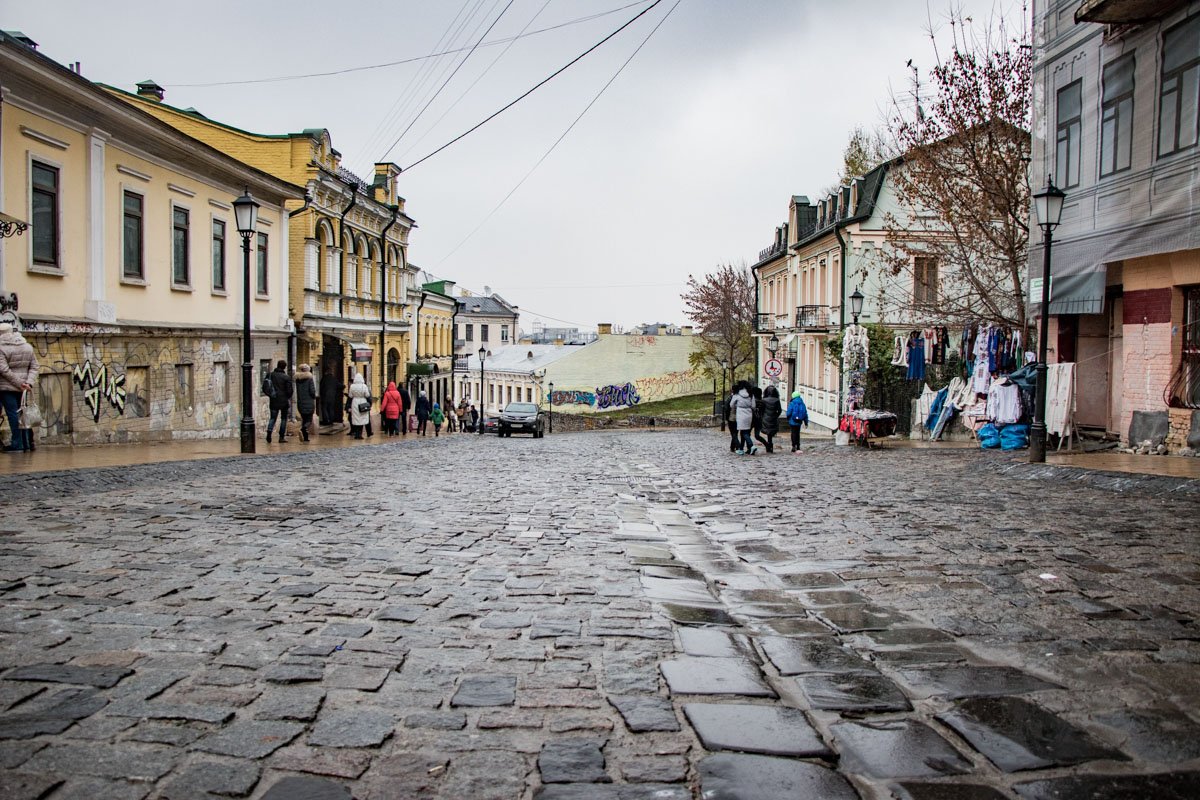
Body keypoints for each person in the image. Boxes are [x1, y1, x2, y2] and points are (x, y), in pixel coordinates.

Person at [0, 322, 38, 452]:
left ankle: (17, 444)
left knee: (13, 415)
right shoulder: (27, 346)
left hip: (6, 388)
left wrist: (19, 383)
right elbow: (34, 366)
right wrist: (28, 383)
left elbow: (3, 370)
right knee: (23, 414)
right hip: (24, 389)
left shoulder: (1, 348)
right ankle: (28, 443)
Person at [265, 360, 294, 444]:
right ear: (284, 367)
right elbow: (289, 391)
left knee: (272, 418)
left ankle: (269, 433)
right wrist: (287, 397)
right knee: (284, 418)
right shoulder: (286, 377)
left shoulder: (270, 375)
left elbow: (265, 387)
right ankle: (281, 437)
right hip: (284, 401)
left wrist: (271, 395)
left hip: (274, 400)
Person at [730, 382, 757, 455]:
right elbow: (754, 406)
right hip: (749, 414)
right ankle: (741, 449)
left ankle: (751, 445)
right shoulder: (751, 394)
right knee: (746, 431)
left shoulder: (737, 394)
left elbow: (731, 404)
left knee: (743, 432)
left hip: (740, 414)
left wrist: (737, 405)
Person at [294, 363, 318, 442]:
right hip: (309, 402)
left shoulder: (298, 379)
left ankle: (306, 437)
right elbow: (312, 391)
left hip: (300, 402)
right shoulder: (309, 379)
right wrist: (314, 396)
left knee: (304, 419)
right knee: (309, 421)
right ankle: (303, 429)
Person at [757, 385, 782, 453]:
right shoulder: (777, 400)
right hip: (773, 418)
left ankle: (768, 445)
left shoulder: (764, 400)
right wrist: (776, 416)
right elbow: (779, 410)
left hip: (765, 418)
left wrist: (762, 416)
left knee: (768, 432)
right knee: (771, 433)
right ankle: (770, 445)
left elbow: (761, 410)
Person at [347, 373, 372, 439]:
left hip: (354, 402)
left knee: (356, 418)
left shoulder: (352, 386)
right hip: (362, 402)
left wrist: (348, 406)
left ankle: (356, 434)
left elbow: (350, 396)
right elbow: (367, 395)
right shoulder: (364, 386)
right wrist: (370, 403)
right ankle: (360, 434)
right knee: (362, 418)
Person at [725, 386, 740, 453]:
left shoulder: (730, 398)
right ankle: (732, 447)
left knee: (733, 433)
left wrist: (727, 417)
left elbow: (727, 408)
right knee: (735, 433)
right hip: (739, 417)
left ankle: (738, 446)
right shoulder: (740, 398)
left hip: (731, 417)